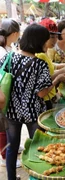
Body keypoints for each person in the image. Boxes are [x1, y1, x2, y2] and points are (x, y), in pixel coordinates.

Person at [0, 23, 65, 180]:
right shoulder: (40, 64)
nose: (46, 44)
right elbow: (42, 92)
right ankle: (39, 176)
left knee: (11, 148)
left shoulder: (9, 57)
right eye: (45, 40)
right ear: (38, 42)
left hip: (11, 111)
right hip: (33, 112)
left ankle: (11, 178)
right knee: (39, 147)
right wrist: (58, 78)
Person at [37, 18, 65, 109]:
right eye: (51, 37)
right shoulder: (40, 55)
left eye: (55, 36)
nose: (54, 40)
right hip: (47, 98)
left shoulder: (45, 52)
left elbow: (51, 65)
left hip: (53, 94)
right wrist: (60, 75)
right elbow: (42, 89)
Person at [0, 19, 22, 169]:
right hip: (2, 94)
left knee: (6, 125)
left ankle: (10, 148)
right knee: (2, 127)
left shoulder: (8, 47)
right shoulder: (1, 51)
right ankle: (4, 156)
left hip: (7, 92)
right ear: (14, 33)